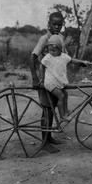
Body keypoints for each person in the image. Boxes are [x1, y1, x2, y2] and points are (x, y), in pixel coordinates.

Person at [30, 12, 67, 153]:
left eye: (59, 24)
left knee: (52, 108)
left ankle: (49, 137)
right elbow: (32, 57)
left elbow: (64, 56)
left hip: (57, 78)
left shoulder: (60, 38)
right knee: (47, 109)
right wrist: (35, 78)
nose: (57, 27)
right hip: (45, 79)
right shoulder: (45, 38)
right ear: (49, 24)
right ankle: (45, 142)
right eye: (54, 24)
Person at [40, 35, 88, 132]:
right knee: (61, 96)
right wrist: (41, 78)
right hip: (50, 82)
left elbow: (72, 60)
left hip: (58, 81)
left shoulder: (63, 57)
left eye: (54, 50)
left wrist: (82, 62)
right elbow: (41, 66)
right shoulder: (48, 58)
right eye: (50, 50)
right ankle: (62, 116)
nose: (52, 52)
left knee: (65, 94)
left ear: (60, 48)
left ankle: (65, 111)